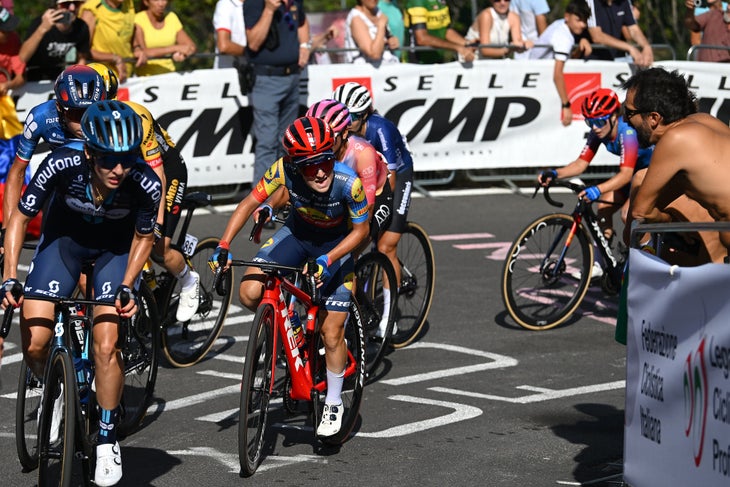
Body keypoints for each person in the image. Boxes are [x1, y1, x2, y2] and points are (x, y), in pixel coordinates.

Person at [2, 99, 161, 487]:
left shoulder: (145, 182)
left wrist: (128, 285)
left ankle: (107, 435)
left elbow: (143, 237)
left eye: (126, 159)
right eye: (108, 160)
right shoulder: (60, 163)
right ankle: (58, 388)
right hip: (65, 242)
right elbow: (21, 217)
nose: (119, 169)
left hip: (115, 251)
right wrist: (9, 276)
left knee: (107, 344)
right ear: (89, 151)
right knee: (36, 340)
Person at [209, 116, 369, 437]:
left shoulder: (348, 182)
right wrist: (224, 244)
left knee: (331, 330)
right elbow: (247, 203)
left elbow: (362, 231)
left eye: (325, 160)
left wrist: (329, 258)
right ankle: (290, 329)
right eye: (310, 166)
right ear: (296, 165)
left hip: (335, 246)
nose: (321, 171)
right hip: (297, 235)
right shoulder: (282, 169)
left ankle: (334, 401)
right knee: (251, 291)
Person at [87, 61, 200, 321]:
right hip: (127, 170)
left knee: (158, 245)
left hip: (166, 169)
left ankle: (187, 279)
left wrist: (158, 223)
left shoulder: (137, 115)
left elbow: (157, 172)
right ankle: (145, 283)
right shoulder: (87, 123)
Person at [538, 88, 654, 277]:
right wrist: (554, 173)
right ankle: (600, 264)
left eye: (599, 121)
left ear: (614, 117)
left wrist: (596, 189)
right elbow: (580, 164)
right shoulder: (598, 131)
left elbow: (625, 175)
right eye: (590, 122)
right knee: (603, 209)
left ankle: (648, 262)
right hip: (633, 173)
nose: (595, 127)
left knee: (627, 214)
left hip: (650, 172)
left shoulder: (628, 132)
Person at [622, 67, 730, 257]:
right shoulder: (703, 120)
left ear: (654, 118)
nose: (624, 119)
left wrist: (667, 220)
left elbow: (640, 212)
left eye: (629, 113)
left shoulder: (674, 139)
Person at [332, 82, 413, 335]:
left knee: (386, 244)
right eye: (343, 113)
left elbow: (389, 180)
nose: (347, 120)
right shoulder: (338, 129)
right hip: (366, 176)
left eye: (353, 116)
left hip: (396, 175)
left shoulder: (381, 129)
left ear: (366, 114)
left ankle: (389, 318)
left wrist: (372, 214)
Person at [2, 64, 105, 235]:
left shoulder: (109, 117)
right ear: (59, 107)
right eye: (74, 113)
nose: (83, 122)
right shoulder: (41, 117)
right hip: (63, 184)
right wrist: (7, 228)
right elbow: (18, 171)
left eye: (89, 112)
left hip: (102, 183)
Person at [244, 0, 311, 185]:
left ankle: (285, 192)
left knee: (288, 141)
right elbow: (254, 43)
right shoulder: (255, 3)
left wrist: (305, 45)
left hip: (292, 77)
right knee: (267, 142)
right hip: (266, 79)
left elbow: (302, 21)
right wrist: (269, 10)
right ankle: (261, 201)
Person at [529, 0, 592, 127]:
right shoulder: (563, 37)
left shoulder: (560, 24)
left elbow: (567, 61)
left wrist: (579, 49)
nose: (583, 25)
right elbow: (557, 75)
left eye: (585, 21)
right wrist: (566, 105)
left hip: (535, 76)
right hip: (537, 82)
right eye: (579, 20)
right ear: (567, 17)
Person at [20, 1, 91, 81]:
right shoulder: (39, 23)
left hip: (56, 76)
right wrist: (42, 29)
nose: (72, 8)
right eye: (66, 4)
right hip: (32, 77)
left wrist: (77, 78)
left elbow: (82, 58)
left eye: (76, 4)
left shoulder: (81, 26)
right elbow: (22, 58)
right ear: (55, 7)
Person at [79, 0, 146, 83]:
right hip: (99, 80)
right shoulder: (92, 9)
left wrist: (137, 48)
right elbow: (82, 51)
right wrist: (115, 58)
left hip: (127, 80)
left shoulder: (129, 4)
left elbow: (130, 31)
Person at [134, 0, 196, 76]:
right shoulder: (138, 19)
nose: (161, 4)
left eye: (164, 0)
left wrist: (183, 54)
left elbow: (191, 46)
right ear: (146, 2)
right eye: (156, 0)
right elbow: (144, 52)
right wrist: (175, 48)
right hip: (146, 79)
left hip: (169, 76)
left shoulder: (171, 17)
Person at [584, 0, 653, 67]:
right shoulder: (590, 1)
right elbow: (597, 36)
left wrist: (646, 46)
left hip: (617, 61)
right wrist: (630, 48)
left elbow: (634, 29)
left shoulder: (625, 1)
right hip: (592, 63)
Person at [403, 0, 476, 63]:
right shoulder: (417, 2)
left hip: (436, 60)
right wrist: (458, 48)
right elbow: (421, 39)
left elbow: (446, 31)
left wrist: (467, 43)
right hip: (416, 63)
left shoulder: (440, 1)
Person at [464, 0, 532, 59]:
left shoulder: (514, 17)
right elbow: (485, 50)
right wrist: (507, 50)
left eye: (506, 0)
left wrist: (524, 45)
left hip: (495, 62)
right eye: (497, 0)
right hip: (472, 61)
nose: (502, 3)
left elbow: (517, 44)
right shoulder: (486, 15)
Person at [344, 0, 400, 66]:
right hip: (366, 72)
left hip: (390, 68)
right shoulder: (356, 18)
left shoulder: (378, 12)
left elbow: (386, 38)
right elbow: (374, 54)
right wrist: (381, 26)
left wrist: (392, 41)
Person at [213, 0, 246, 69]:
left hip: (253, 72)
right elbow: (224, 46)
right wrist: (253, 53)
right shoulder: (225, 4)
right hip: (228, 75)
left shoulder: (258, 4)